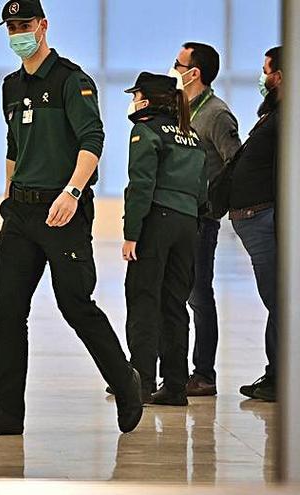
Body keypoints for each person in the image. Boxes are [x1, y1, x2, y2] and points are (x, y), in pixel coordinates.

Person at [0, 0, 143, 436]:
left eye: (24, 24)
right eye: (10, 27)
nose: (17, 33)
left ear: (43, 26)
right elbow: (14, 146)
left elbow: (92, 138)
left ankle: (125, 380)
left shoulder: (71, 80)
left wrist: (72, 191)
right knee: (7, 311)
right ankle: (7, 410)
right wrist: (8, 198)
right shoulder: (10, 85)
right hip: (22, 213)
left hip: (63, 211)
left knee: (75, 305)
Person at [122, 72, 207, 406]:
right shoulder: (192, 135)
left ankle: (140, 384)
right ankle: (174, 386)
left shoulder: (146, 131)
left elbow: (141, 186)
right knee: (174, 306)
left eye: (137, 94)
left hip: (156, 222)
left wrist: (132, 235)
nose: (135, 100)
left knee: (143, 301)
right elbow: (203, 189)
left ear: (149, 99)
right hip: (187, 224)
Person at [169, 42, 241, 398]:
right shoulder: (183, 109)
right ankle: (170, 371)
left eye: (177, 63)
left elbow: (235, 162)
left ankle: (204, 374)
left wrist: (214, 203)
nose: (173, 68)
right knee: (173, 294)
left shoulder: (215, 114)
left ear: (193, 73)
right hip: (177, 215)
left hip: (201, 220)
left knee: (198, 295)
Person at [228, 46, 283, 403]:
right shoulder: (275, 114)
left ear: (280, 75)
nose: (262, 77)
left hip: (265, 218)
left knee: (280, 301)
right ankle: (275, 374)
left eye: (266, 70)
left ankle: (280, 377)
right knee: (276, 301)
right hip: (254, 217)